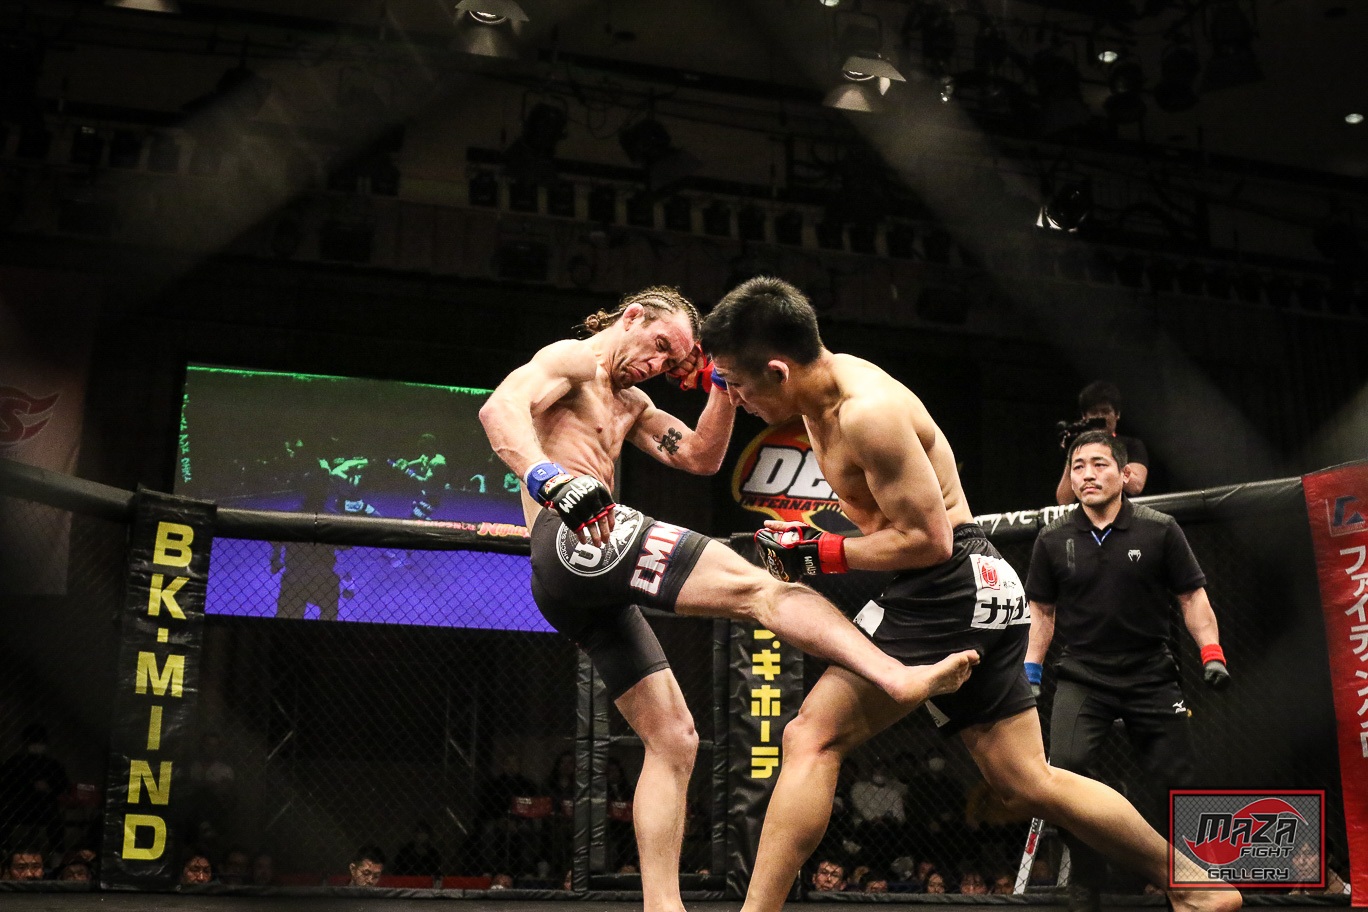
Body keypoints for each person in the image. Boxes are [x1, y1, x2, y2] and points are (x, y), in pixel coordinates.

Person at [698, 276, 1241, 912]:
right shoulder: (821, 393)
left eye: (737, 383)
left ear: (777, 370)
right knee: (1027, 781)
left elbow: (929, 541)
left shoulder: (865, 413)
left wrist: (820, 552)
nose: (734, 396)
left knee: (811, 737)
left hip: (946, 584)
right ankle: (1196, 884)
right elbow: (896, 522)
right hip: (971, 582)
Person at [478, 286, 977, 912]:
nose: (658, 365)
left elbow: (701, 457)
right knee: (764, 590)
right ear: (632, 317)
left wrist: (721, 387)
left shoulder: (630, 402)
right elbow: (500, 408)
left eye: (672, 360)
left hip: (576, 580)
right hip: (575, 534)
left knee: (674, 740)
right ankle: (893, 676)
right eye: (660, 345)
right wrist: (548, 478)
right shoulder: (572, 361)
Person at [1026, 430, 1231, 912]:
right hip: (1083, 675)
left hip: (1150, 674)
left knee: (1176, 783)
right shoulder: (1053, 538)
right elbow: (1042, 612)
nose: (1087, 475)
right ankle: (1088, 873)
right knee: (1063, 773)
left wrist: (1212, 651)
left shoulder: (1160, 529)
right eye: (1078, 467)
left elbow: (1192, 597)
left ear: (1123, 474)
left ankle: (1186, 883)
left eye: (1099, 465)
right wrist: (1030, 668)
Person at [1054, 381, 1149, 505]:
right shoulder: (1079, 449)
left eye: (1105, 411)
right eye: (1094, 412)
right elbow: (1064, 501)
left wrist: (1106, 453)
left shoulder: (1132, 445)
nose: (1100, 417)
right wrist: (1071, 454)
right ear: (1084, 417)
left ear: (1117, 414)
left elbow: (1136, 486)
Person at [0, 723, 71, 858]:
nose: (37, 746)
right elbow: (5, 784)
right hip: (18, 805)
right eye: (34, 742)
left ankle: (57, 854)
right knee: (3, 814)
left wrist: (49, 787)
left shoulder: (52, 764)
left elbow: (64, 785)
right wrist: (30, 786)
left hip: (44, 807)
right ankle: (4, 851)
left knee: (55, 818)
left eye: (40, 742)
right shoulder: (15, 762)